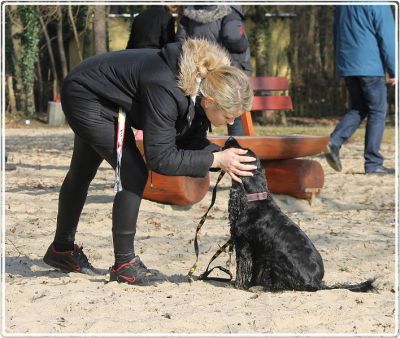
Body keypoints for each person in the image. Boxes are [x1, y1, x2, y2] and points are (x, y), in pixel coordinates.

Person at [42, 38, 256, 285]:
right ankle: (125, 265)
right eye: (228, 116)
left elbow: (191, 140)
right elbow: (160, 158)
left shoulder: (199, 84)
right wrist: (216, 159)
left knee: (82, 171)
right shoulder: (166, 86)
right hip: (86, 95)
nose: (230, 122)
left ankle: (61, 250)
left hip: (97, 89)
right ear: (209, 101)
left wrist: (226, 158)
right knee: (133, 172)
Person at [325, 5, 396, 175]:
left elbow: (336, 34)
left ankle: (333, 142)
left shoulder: (341, 5)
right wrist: (395, 69)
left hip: (348, 65)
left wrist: (341, 63)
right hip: (371, 66)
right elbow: (387, 38)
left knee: (359, 107)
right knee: (378, 111)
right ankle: (373, 163)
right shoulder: (379, 4)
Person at [175, 5, 252, 136]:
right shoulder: (229, 9)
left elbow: (180, 42)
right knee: (234, 112)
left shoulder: (189, 11)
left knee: (201, 108)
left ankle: (199, 141)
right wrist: (244, 44)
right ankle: (236, 145)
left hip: (199, 70)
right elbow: (234, 38)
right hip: (226, 70)